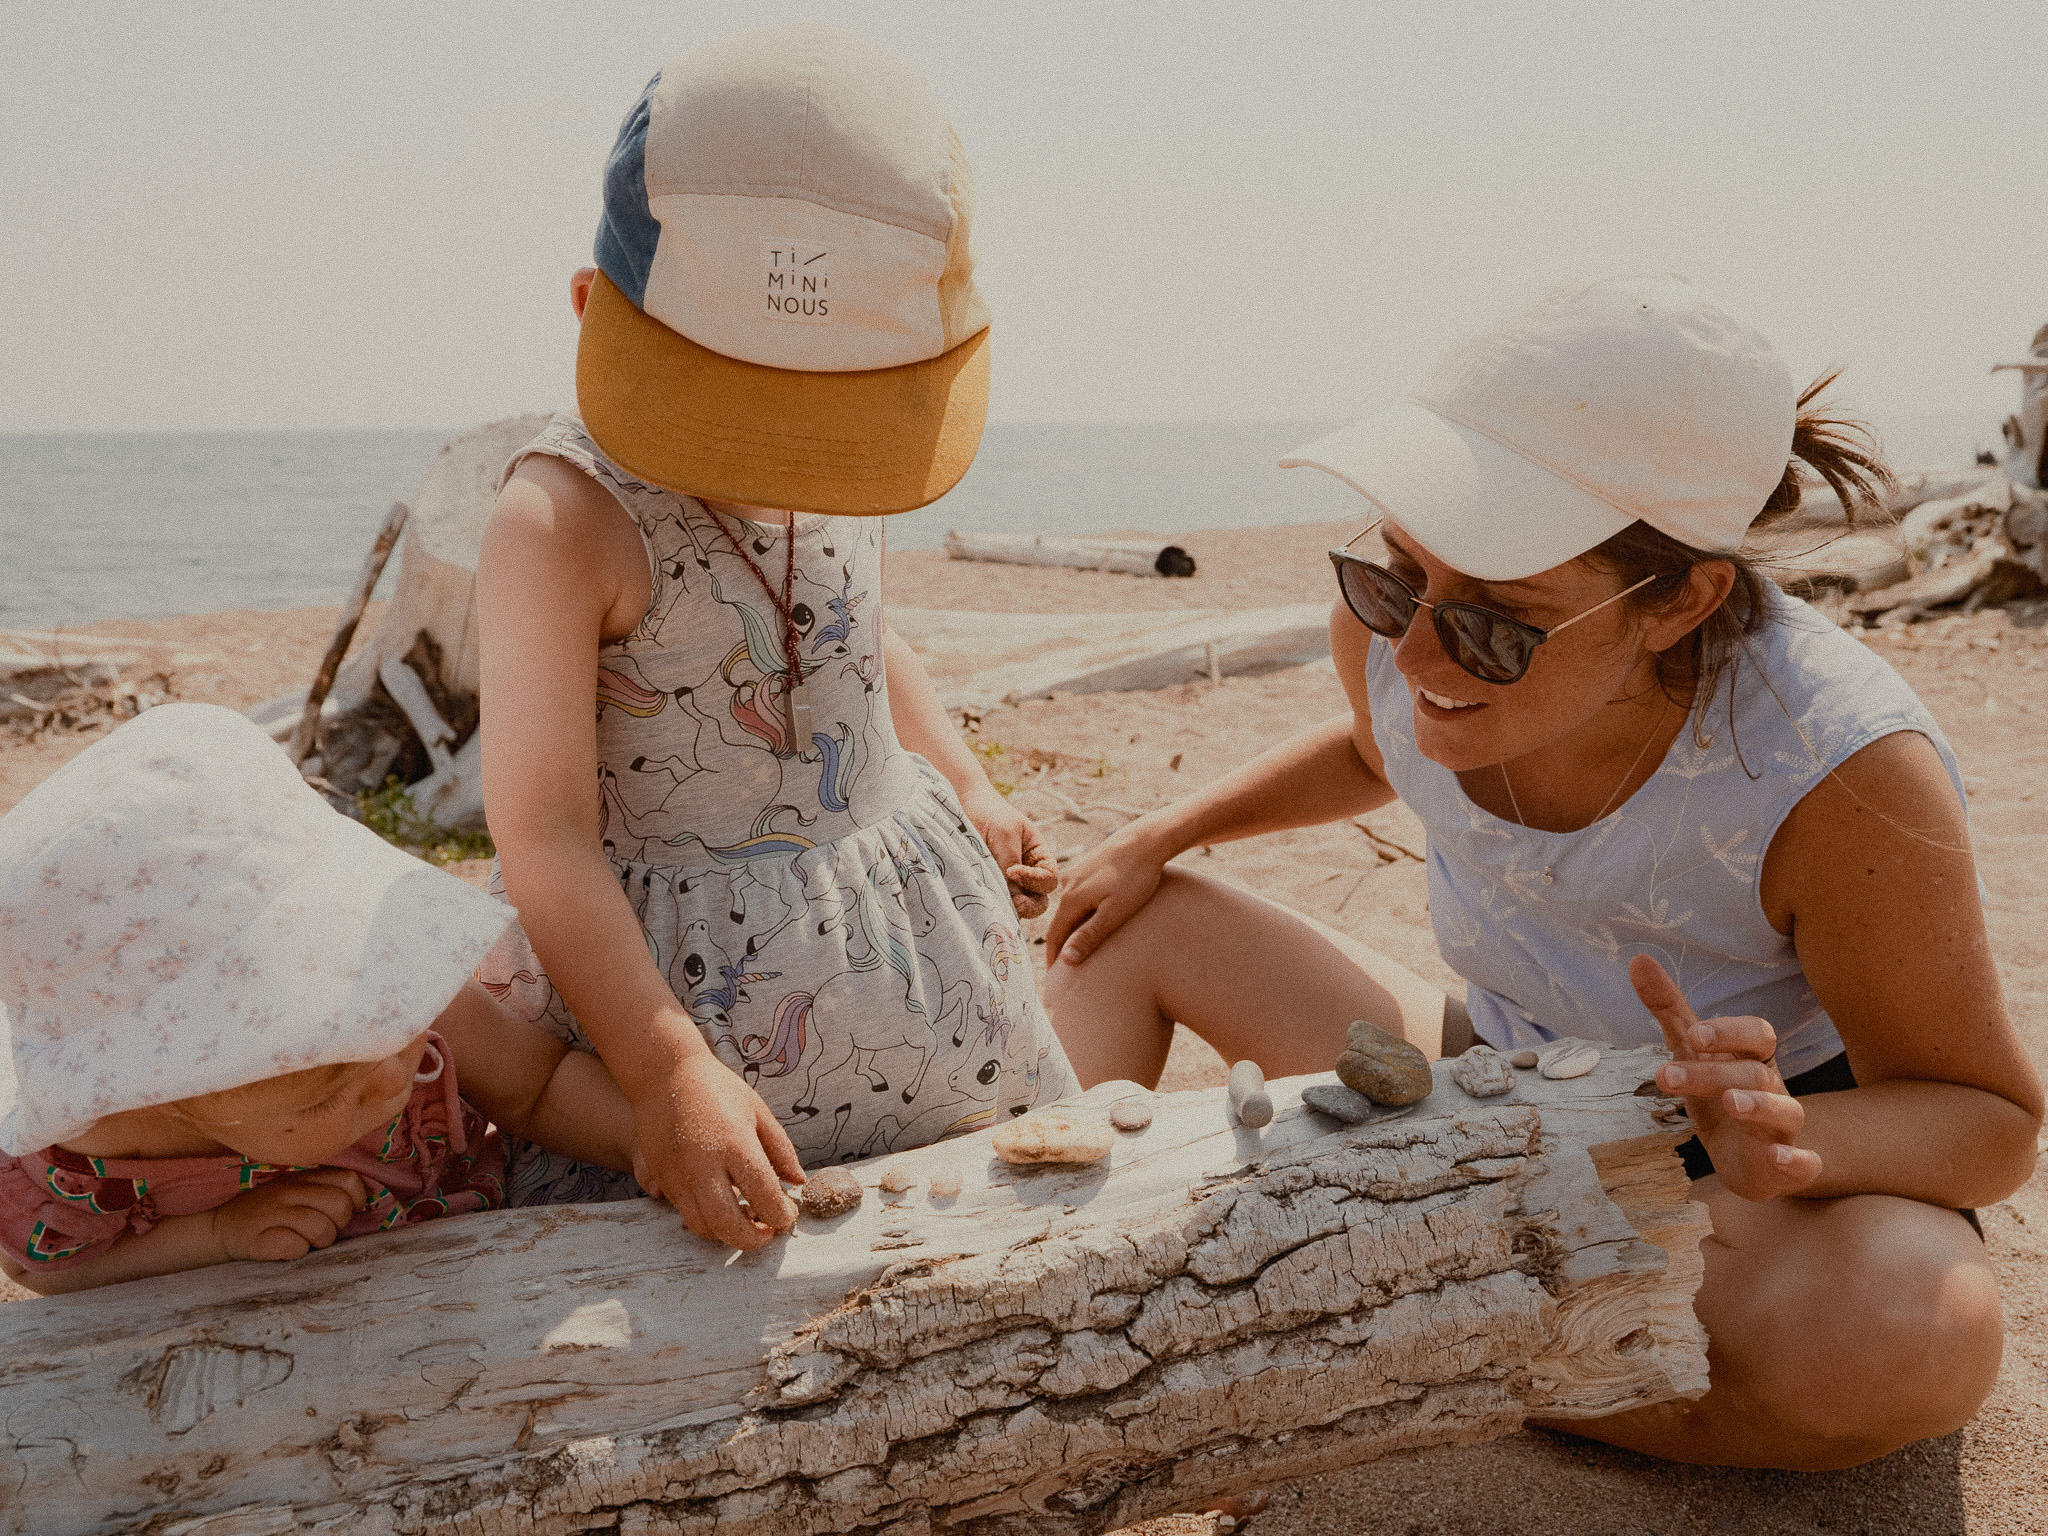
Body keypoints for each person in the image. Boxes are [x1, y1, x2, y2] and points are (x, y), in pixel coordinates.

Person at [1043, 275, 2044, 1470]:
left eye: (1494, 621)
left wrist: (1789, 1140)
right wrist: (1165, 831)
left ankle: (1403, 1346)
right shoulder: (1397, 637)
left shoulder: (1835, 771)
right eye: (1393, 575)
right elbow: (1377, 749)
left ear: (1680, 599)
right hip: (1499, 1076)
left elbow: (1986, 1124)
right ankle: (1033, 1298)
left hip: (1730, 1165)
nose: (1414, 651)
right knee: (1129, 921)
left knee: (1911, 1336)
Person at [475, 27, 1075, 1250]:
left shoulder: (836, 473)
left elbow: (855, 631)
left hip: (911, 939)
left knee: (988, 1241)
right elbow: (539, 834)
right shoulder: (558, 520)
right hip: (673, 990)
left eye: (816, 428)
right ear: (593, 312)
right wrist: (658, 1075)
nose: (779, 467)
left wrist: (961, 777)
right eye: (736, 417)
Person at [0, 705, 642, 1295]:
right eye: (328, 1086)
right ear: (165, 1090)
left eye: (396, 1027)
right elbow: (55, 1270)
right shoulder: (74, 1164)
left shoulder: (387, 992)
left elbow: (539, 1084)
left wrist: (654, 1140)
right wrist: (212, 1237)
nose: (395, 1072)